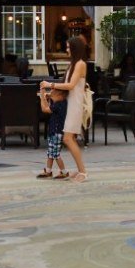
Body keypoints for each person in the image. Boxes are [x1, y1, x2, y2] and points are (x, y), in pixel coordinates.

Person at [40, 34, 89, 182]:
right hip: (70, 103)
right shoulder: (74, 64)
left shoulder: (80, 64)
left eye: (68, 47)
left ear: (75, 48)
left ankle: (83, 172)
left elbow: (71, 85)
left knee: (68, 139)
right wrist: (51, 94)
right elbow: (67, 88)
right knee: (70, 138)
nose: (67, 49)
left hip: (74, 104)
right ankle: (81, 170)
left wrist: (50, 85)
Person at [37, 81, 69, 180]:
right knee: (50, 153)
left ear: (60, 95)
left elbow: (45, 109)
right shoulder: (58, 102)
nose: (51, 93)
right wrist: (47, 96)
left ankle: (64, 172)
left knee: (55, 154)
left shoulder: (60, 104)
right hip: (53, 131)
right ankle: (48, 171)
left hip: (57, 132)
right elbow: (48, 106)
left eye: (53, 92)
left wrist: (42, 94)